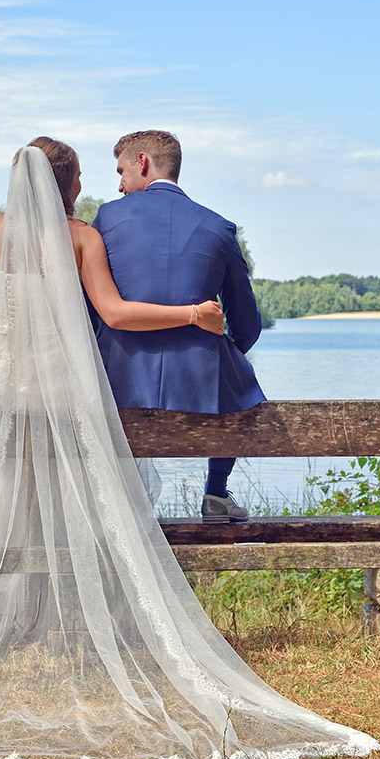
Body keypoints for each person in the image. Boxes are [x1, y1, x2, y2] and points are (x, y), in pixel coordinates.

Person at [0, 138, 380, 759]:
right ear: (64, 183)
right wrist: (192, 314)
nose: (97, 185)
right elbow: (113, 312)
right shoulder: (85, 237)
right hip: (61, 384)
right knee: (79, 494)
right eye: (83, 175)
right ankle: (68, 618)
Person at [90, 130, 263, 521]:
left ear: (143, 163)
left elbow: (88, 308)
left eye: (121, 171)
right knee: (239, 374)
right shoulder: (218, 227)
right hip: (199, 385)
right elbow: (248, 325)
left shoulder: (108, 218)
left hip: (119, 380)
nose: (119, 185)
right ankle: (216, 493)